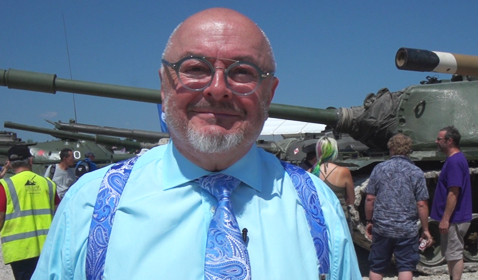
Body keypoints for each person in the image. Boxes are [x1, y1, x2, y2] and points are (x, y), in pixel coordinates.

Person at [33, 8, 361, 280]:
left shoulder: (317, 208)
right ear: (164, 84)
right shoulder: (89, 206)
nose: (218, 88)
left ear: (269, 93)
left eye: (243, 72)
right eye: (195, 68)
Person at [364, 133, 432, 280]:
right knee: (406, 267)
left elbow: (370, 198)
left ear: (391, 148)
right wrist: (425, 229)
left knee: (377, 267)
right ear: (408, 150)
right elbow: (421, 203)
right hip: (406, 229)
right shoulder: (416, 172)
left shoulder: (379, 168)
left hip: (382, 227)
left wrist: (369, 221)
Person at [0, 145, 57, 280]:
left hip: (19, 250)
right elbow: (59, 215)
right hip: (47, 248)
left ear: (10, 164)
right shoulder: (48, 184)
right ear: (30, 161)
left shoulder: (5, 186)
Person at [430, 126, 472, 280]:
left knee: (454, 253)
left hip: (455, 218)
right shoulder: (454, 159)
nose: (436, 142)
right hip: (453, 217)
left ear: (450, 141)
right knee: (450, 252)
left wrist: (446, 219)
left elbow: (454, 192)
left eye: (439, 139)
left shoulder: (454, 162)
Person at [309, 136, 355, 216]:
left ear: (318, 151)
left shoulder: (310, 172)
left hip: (320, 218)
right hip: (340, 218)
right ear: (335, 151)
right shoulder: (343, 171)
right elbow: (351, 200)